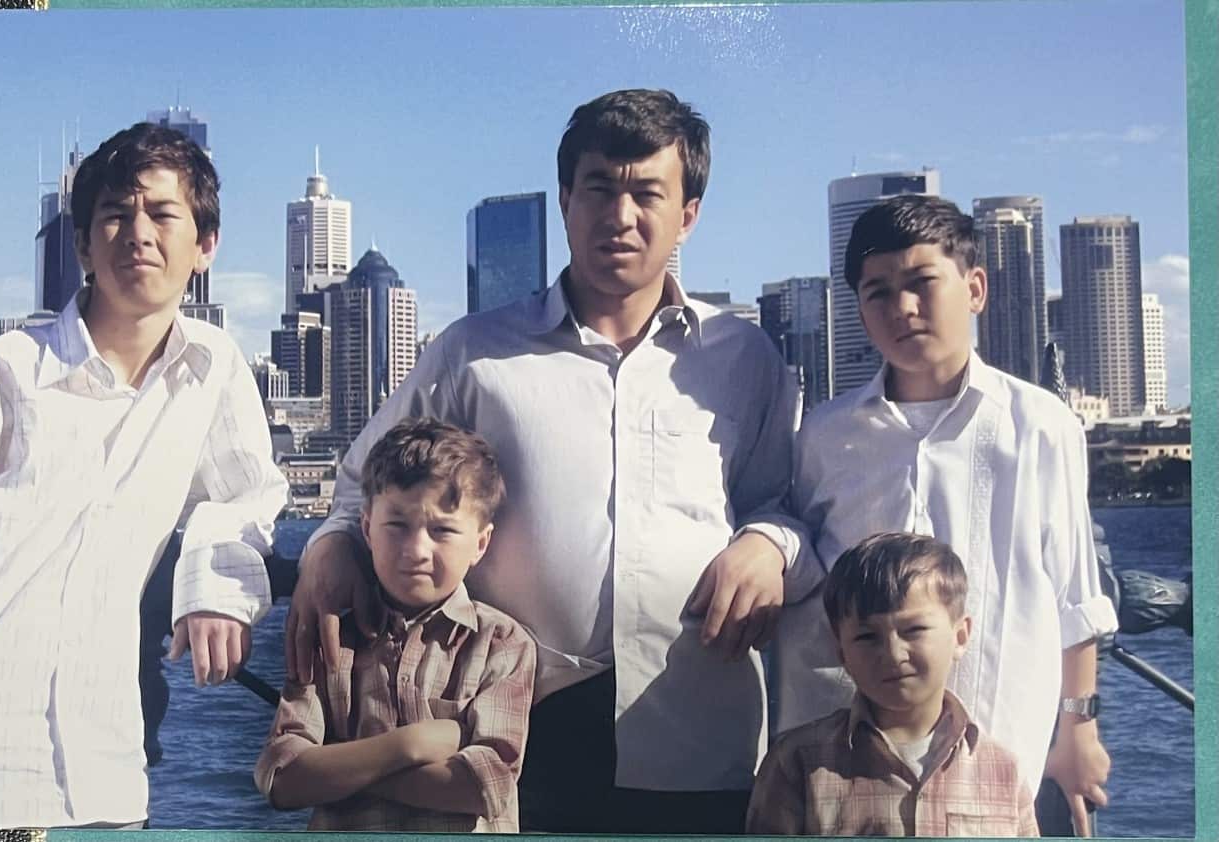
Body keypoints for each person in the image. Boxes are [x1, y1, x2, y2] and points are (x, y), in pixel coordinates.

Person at [286, 88, 815, 833]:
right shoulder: (474, 353)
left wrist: (770, 545)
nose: (620, 215)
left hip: (697, 726)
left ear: (688, 214)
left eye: (647, 193)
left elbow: (785, 501)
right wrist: (329, 551)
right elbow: (359, 484)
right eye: (599, 187)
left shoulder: (744, 356)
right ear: (566, 199)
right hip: (511, 732)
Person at [0, 122, 288, 829]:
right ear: (82, 244)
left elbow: (249, 495)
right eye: (114, 214)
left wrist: (215, 588)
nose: (137, 233)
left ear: (205, 246)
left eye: (162, 214)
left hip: (102, 781)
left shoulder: (213, 368)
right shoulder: (0, 371)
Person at [769, 194, 1118, 836]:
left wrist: (1078, 726)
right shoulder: (823, 435)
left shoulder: (1040, 424)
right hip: (853, 769)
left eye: (922, 283)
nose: (901, 307)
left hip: (1002, 748)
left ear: (975, 287)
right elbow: (808, 568)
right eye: (877, 292)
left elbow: (1076, 593)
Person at [254, 417, 535, 831]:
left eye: (442, 530)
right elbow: (281, 777)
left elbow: (484, 786)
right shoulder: (331, 637)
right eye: (397, 526)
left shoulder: (502, 644)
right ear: (367, 528)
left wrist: (341, 768)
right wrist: (411, 745)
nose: (416, 550)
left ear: (480, 543)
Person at [748, 531, 1038, 837]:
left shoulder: (1003, 771)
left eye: (913, 630)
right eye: (867, 637)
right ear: (841, 650)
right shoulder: (797, 763)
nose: (893, 654)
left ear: (960, 635)